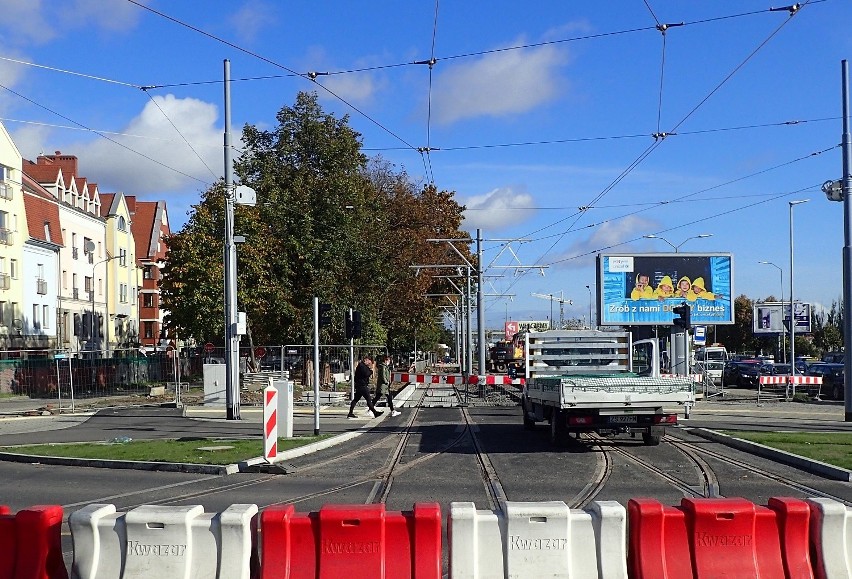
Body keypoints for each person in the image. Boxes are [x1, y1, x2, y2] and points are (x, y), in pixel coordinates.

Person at [348, 355, 383, 419]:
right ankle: (375, 413)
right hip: (362, 386)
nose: (369, 363)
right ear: (366, 360)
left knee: (356, 399)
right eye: (369, 362)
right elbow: (366, 374)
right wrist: (371, 371)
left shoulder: (362, 366)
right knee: (368, 399)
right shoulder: (361, 366)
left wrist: (370, 370)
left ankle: (350, 412)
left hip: (360, 385)